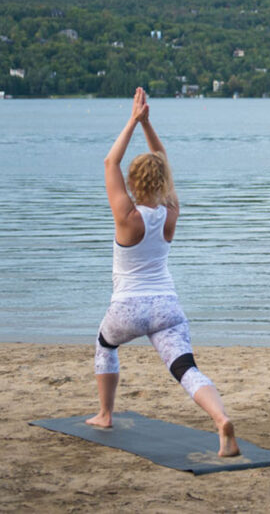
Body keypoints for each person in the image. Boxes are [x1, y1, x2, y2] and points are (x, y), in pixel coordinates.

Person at [87, 87, 239, 457]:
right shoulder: (170, 212)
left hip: (128, 308)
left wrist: (132, 120)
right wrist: (149, 125)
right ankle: (220, 420)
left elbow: (110, 163)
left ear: (134, 183)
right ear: (162, 182)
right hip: (167, 308)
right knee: (185, 368)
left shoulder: (128, 217)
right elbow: (164, 160)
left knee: (105, 345)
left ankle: (105, 414)